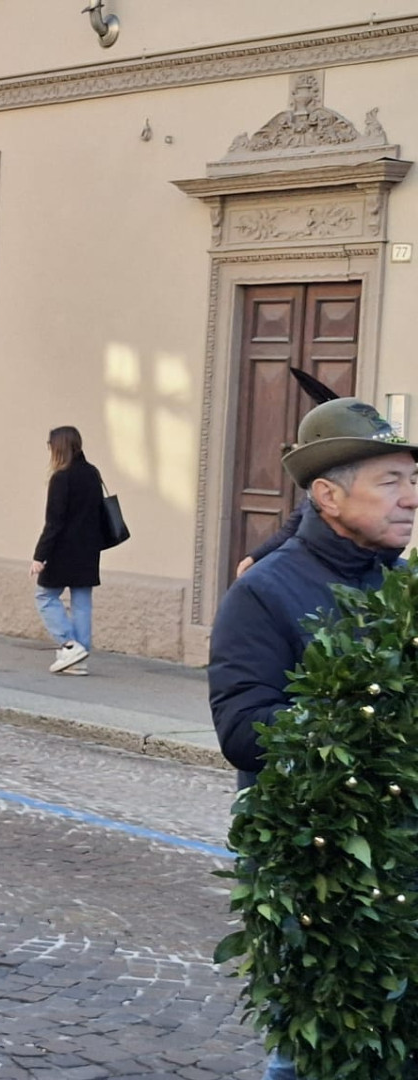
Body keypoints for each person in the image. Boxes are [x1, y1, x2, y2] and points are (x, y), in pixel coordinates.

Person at [209, 397, 418, 1080]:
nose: (411, 499)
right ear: (328, 494)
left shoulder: (403, 584)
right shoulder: (265, 593)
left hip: (403, 856)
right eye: (390, 481)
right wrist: (366, 720)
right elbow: (245, 732)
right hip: (317, 870)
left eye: (413, 482)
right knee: (317, 1049)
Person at [30, 426, 106, 676]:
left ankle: (69, 645)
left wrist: (40, 556)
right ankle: (79, 658)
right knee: (82, 603)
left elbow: (54, 521)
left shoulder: (61, 478)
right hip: (89, 549)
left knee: (45, 596)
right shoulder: (92, 473)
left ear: (58, 448)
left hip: (63, 550)